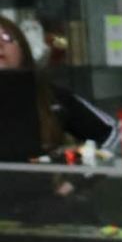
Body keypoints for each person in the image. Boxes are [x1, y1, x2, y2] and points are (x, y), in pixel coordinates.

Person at [0, 15, 115, 162]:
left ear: (23, 49)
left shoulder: (50, 96)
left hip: (40, 177)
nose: (0, 45)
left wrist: (82, 166)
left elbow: (113, 134)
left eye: (6, 38)